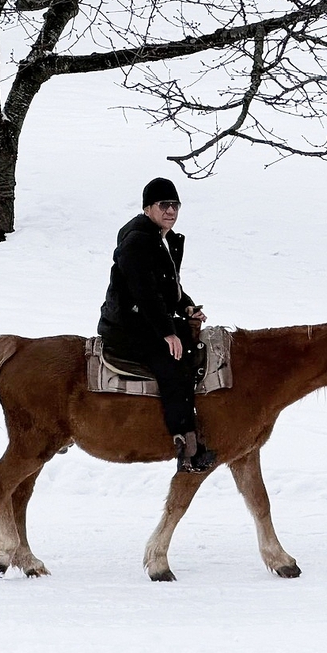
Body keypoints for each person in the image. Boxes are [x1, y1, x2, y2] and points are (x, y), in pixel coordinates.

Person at [97, 177, 217, 474]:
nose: (171, 211)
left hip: (145, 320)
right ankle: (185, 444)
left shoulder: (163, 238)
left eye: (175, 205)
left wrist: (186, 306)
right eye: (164, 205)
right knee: (174, 363)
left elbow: (167, 286)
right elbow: (144, 292)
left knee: (194, 350)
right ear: (148, 208)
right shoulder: (138, 241)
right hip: (127, 326)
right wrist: (168, 333)